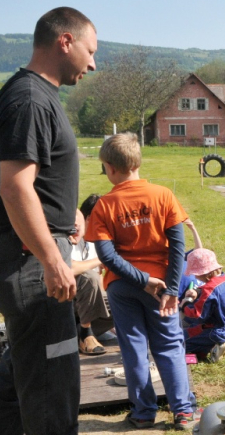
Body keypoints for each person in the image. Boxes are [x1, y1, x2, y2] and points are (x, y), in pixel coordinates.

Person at [0, 7, 96, 435]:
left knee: (31, 358)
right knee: (53, 379)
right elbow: (14, 188)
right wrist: (52, 260)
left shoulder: (36, 95)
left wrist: (69, 211)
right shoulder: (29, 98)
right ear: (65, 41)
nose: (93, 62)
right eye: (90, 50)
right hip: (30, 259)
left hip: (30, 253)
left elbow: (37, 180)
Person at [84, 133, 197, 430]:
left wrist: (141, 280)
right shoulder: (163, 195)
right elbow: (177, 247)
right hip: (162, 286)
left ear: (109, 167)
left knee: (133, 348)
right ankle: (184, 412)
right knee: (170, 346)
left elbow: (107, 257)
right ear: (137, 161)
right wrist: (171, 288)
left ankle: (144, 413)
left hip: (123, 288)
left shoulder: (104, 205)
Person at [70, 205, 113, 355]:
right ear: (89, 218)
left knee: (122, 299)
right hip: (63, 301)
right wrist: (101, 259)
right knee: (89, 277)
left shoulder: (93, 243)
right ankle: (85, 334)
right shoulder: (65, 238)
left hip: (82, 305)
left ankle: (79, 332)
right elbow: (71, 269)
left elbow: (100, 285)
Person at [179, 248, 225, 363]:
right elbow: (210, 290)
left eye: (195, 274)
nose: (194, 277)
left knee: (178, 344)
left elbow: (198, 315)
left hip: (213, 331)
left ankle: (214, 347)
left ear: (203, 273)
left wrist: (185, 306)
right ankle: (212, 346)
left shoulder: (209, 290)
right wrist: (197, 291)